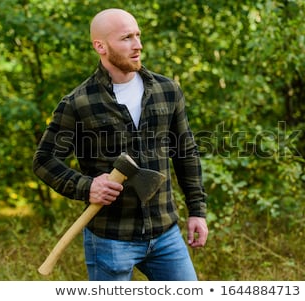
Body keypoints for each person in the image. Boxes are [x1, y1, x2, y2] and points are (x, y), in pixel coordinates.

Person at [32, 8, 208, 281]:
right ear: (100, 46)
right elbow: (44, 160)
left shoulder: (166, 90)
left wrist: (197, 210)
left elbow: (185, 152)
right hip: (110, 240)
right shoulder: (79, 103)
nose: (137, 45)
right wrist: (87, 186)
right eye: (126, 38)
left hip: (165, 234)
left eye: (138, 35)